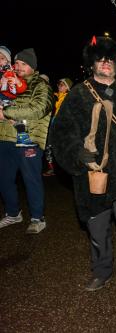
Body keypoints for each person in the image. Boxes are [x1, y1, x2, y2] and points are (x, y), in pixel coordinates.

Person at [50, 37, 116, 293]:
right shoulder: (78, 94)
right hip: (92, 175)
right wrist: (78, 153)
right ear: (92, 64)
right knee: (97, 228)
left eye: (109, 59)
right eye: (100, 59)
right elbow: (61, 132)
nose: (105, 63)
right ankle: (101, 270)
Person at [0, 48, 53, 233]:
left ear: (32, 66)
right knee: (4, 179)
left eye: (24, 63)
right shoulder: (8, 83)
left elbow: (38, 109)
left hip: (28, 139)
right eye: (17, 63)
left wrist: (5, 113)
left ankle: (38, 217)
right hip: (5, 138)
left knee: (31, 179)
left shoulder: (41, 85)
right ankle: (13, 213)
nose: (19, 67)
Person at [43, 77, 73, 177]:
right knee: (49, 147)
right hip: (52, 122)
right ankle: (51, 168)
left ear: (67, 87)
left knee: (62, 147)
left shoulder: (70, 97)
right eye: (59, 84)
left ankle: (65, 169)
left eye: (62, 84)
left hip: (62, 124)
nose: (60, 86)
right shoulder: (54, 96)